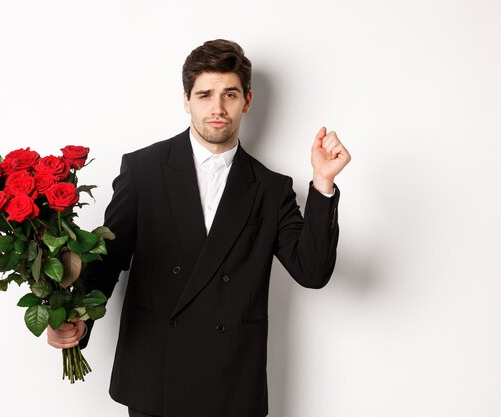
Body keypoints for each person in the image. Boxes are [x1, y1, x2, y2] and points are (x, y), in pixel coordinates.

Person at [47, 39, 351, 417]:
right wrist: (76, 318)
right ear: (186, 100)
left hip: (232, 381)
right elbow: (109, 260)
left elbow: (313, 271)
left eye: (230, 94)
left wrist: (323, 183)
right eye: (205, 94)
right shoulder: (143, 170)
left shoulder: (271, 188)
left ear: (248, 101)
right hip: (157, 374)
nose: (218, 108)